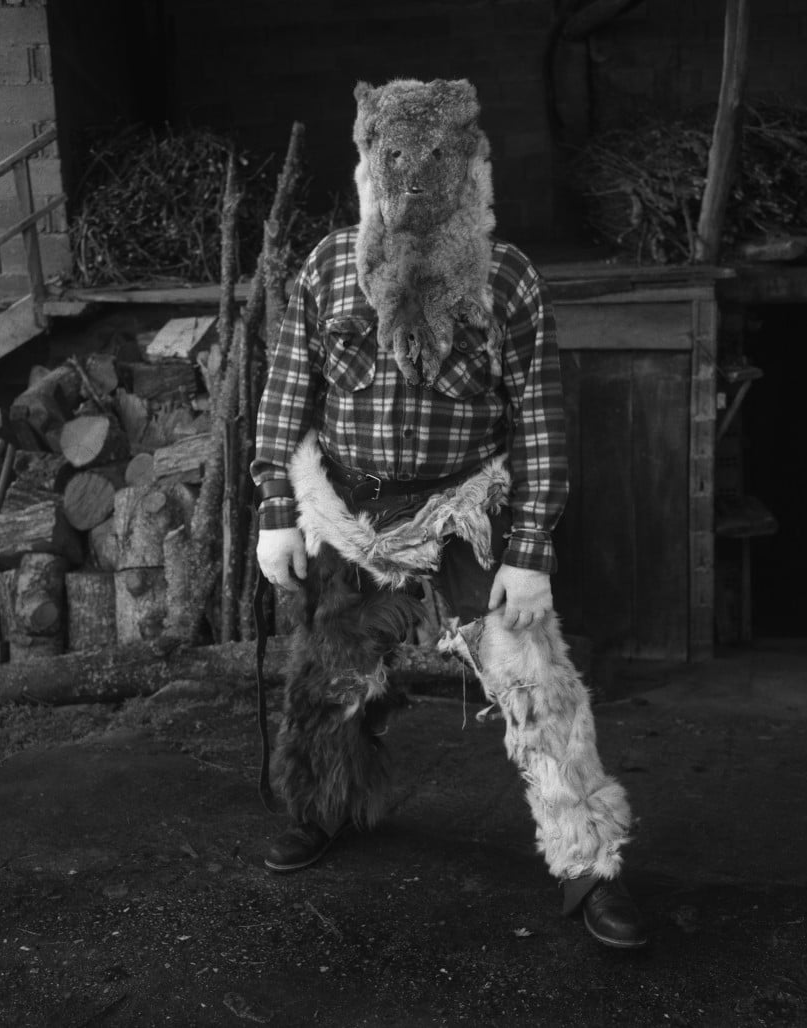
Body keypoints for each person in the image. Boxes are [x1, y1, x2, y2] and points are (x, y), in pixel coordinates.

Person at [251, 78, 646, 949]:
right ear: (367, 166)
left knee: (533, 676)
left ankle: (589, 864)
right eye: (396, 160)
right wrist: (278, 505)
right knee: (328, 671)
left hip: (466, 506)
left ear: (474, 171)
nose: (416, 178)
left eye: (440, 160)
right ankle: (327, 807)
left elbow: (539, 419)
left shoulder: (507, 281)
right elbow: (287, 393)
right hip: (350, 510)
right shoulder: (324, 269)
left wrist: (530, 547)